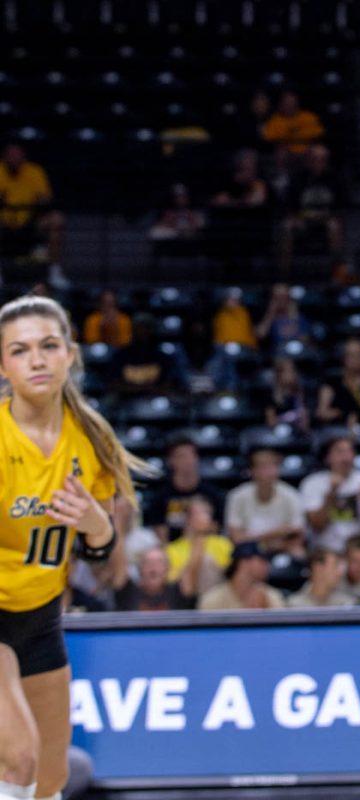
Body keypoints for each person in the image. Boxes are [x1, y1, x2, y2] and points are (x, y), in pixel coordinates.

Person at [0, 295, 148, 799]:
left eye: (47, 346)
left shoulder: (92, 438)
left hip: (41, 619)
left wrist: (98, 528)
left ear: (70, 354)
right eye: (19, 350)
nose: (36, 360)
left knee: (50, 778)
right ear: (3, 364)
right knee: (17, 756)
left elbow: (103, 563)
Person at [300, 435, 360, 553]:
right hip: (325, 549)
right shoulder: (312, 483)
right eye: (340, 452)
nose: (346, 457)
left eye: (350, 451)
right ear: (327, 457)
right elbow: (316, 527)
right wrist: (331, 494)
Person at [0, 144, 67, 288]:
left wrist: (39, 201)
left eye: (17, 155)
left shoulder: (34, 171)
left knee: (56, 219)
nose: (14, 159)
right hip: (4, 222)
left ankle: (54, 271)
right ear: (4, 157)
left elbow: (46, 198)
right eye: (11, 156)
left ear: (23, 157)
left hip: (30, 222)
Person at [224, 447, 305, 555]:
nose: (269, 472)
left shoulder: (291, 495)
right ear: (252, 471)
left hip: (282, 548)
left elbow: (298, 536)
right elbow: (236, 538)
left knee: (299, 553)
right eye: (263, 467)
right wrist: (273, 534)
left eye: (273, 466)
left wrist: (265, 543)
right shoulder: (237, 496)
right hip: (247, 552)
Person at [197, 541, 285, 610]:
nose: (266, 565)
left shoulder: (271, 596)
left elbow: (282, 630)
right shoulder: (212, 600)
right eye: (261, 561)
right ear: (243, 563)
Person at [287, 546, 357, 608]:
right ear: (318, 568)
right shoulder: (294, 605)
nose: (339, 573)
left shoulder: (346, 604)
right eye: (335, 566)